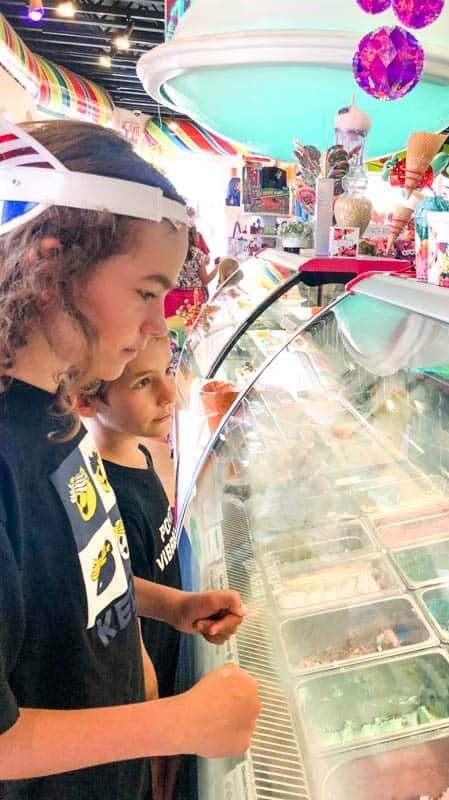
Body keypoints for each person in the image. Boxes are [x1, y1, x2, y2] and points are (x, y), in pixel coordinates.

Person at [0, 118, 260, 799]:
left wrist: (166, 605)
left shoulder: (53, 411)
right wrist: (175, 724)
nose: (158, 326)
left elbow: (61, 580)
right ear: (48, 266)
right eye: (147, 292)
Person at [76, 335, 185, 798]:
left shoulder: (139, 452)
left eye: (168, 371)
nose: (168, 394)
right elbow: (117, 594)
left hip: (171, 642)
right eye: (144, 382)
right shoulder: (108, 490)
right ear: (85, 400)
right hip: (148, 684)